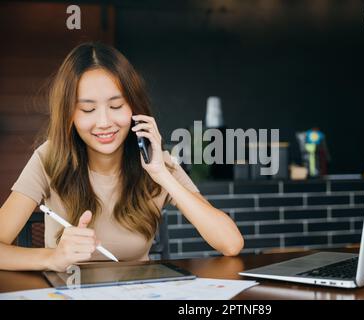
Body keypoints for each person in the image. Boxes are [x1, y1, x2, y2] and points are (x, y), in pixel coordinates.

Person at [0, 42, 244, 272]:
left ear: (133, 108)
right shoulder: (50, 157)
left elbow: (231, 243)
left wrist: (162, 175)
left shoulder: (154, 159)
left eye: (116, 106)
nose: (105, 122)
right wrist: (53, 258)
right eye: (87, 109)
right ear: (69, 114)